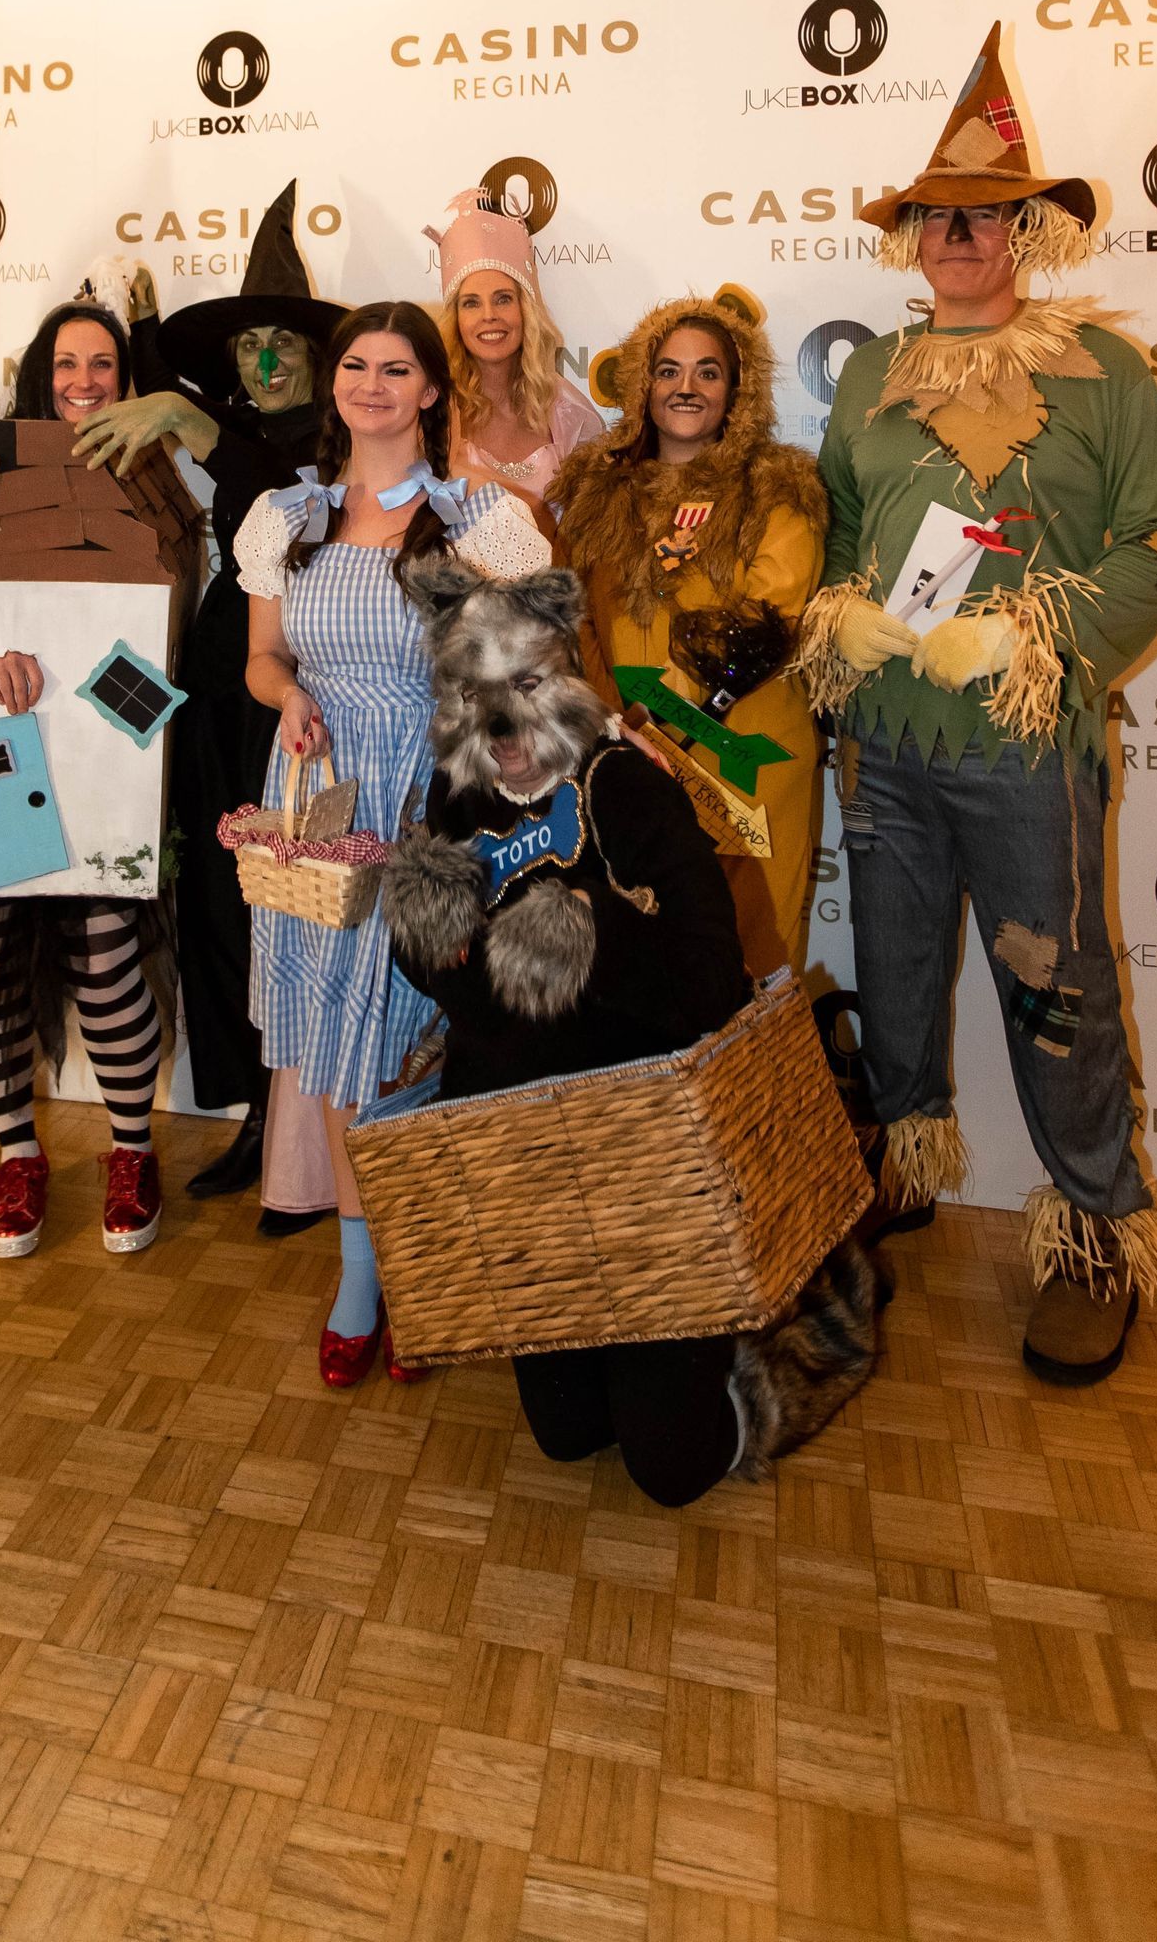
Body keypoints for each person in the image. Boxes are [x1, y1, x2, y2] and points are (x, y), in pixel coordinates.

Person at [794, 22, 1157, 1383]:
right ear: (912, 241)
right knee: (894, 976)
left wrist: (1037, 637)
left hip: (1027, 747)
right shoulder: (867, 374)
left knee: (1059, 990)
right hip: (890, 747)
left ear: (1025, 228)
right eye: (936, 218)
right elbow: (846, 531)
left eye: (982, 216)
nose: (958, 235)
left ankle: (1096, 1229)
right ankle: (904, 1161)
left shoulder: (1105, 371)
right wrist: (840, 617)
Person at [381, 560, 883, 1503]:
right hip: (531, 1156)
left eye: (525, 689)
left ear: (563, 681)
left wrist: (588, 935)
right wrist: (422, 939)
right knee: (568, 1437)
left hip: (648, 1160)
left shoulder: (626, 785)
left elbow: (706, 986)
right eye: (474, 695)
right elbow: (467, 999)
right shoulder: (457, 798)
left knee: (671, 1466)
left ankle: (793, 1312)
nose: (504, 729)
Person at [236, 301, 551, 1382]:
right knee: (334, 1045)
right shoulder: (289, 515)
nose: (372, 383)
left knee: (408, 1047)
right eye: (356, 365)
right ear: (337, 383)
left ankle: (410, 1273)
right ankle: (363, 1275)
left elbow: (532, 664)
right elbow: (262, 657)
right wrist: (284, 698)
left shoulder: (474, 518)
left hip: (430, 807)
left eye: (396, 367)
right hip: (321, 805)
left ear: (430, 390)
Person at [74, 182, 343, 1225]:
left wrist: (190, 414)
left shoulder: (335, 436)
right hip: (220, 681)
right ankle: (255, 1117)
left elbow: (281, 492)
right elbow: (177, 408)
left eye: (285, 344)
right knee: (225, 905)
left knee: (301, 902)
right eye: (248, 347)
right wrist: (142, 325)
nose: (266, 362)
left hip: (299, 690)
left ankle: (315, 1143)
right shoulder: (232, 417)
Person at [0, 288, 173, 1263]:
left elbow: (176, 629)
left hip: (104, 750)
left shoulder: (158, 481)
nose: (84, 384)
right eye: (68, 366)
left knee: (105, 951)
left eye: (104, 367)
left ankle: (131, 1151)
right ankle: (16, 1154)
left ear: (126, 382)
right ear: (41, 376)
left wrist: (100, 693)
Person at [550, 290, 825, 972]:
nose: (686, 387)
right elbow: (569, 617)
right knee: (646, 954)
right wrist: (614, 727)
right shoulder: (594, 490)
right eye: (668, 370)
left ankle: (760, 1084)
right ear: (641, 381)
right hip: (628, 758)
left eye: (709, 371)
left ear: (738, 388)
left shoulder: (777, 489)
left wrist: (666, 723)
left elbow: (768, 619)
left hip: (746, 761)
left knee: (756, 953)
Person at [426, 186, 601, 502]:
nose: (489, 316)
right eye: (471, 303)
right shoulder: (432, 408)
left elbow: (594, 520)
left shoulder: (568, 411)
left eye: (503, 299)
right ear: (456, 320)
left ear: (526, 310)